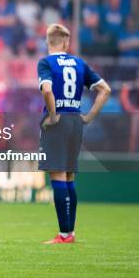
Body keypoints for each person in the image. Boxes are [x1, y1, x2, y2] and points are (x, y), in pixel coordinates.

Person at [37, 24, 110, 244]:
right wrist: (88, 117)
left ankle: (64, 234)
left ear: (48, 41)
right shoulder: (80, 63)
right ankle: (70, 232)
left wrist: (52, 115)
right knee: (69, 175)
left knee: (57, 175)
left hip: (58, 122)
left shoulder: (46, 62)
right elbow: (105, 89)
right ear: (66, 42)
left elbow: (47, 89)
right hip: (76, 119)